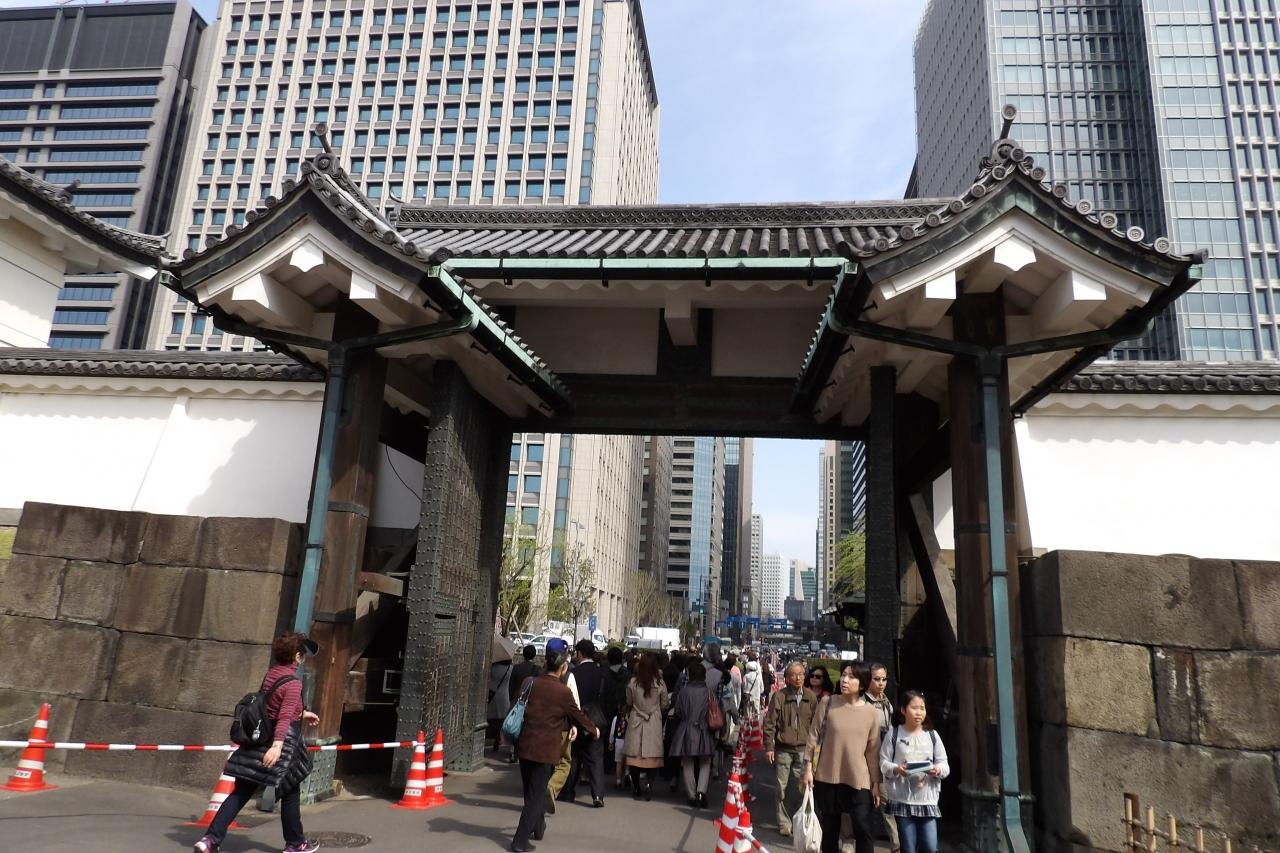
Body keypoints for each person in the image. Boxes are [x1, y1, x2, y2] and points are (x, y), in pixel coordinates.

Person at [193, 632, 321, 853]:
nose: (303, 659)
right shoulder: (293, 684)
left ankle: (210, 840)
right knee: (291, 792)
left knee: (241, 791)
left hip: (259, 741)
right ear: (297, 656)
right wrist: (277, 746)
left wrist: (303, 713)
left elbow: (271, 707)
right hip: (282, 744)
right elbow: (283, 717)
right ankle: (295, 843)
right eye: (302, 655)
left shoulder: (272, 674)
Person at [511, 646, 601, 852]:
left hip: (525, 744)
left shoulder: (529, 683)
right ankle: (520, 840)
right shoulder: (563, 692)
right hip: (545, 748)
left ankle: (538, 826)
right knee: (536, 795)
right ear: (563, 668)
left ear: (545, 664)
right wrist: (593, 729)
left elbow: (516, 704)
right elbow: (577, 715)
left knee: (530, 791)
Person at [801, 662, 883, 853]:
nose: (844, 680)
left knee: (863, 828)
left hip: (859, 779)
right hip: (828, 776)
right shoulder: (827, 703)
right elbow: (813, 737)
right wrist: (807, 769)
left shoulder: (871, 712)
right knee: (830, 831)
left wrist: (876, 783)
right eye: (844, 675)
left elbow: (873, 750)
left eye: (851, 677)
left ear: (862, 684)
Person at [879, 691, 949, 853]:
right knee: (908, 848)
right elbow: (883, 762)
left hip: (927, 798)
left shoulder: (932, 735)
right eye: (914, 708)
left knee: (930, 846)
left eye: (922, 708)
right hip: (902, 798)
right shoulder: (894, 734)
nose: (919, 712)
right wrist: (897, 769)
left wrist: (937, 770)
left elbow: (944, 764)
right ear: (903, 710)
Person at [762, 661, 819, 837]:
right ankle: (784, 823)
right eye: (793, 674)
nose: (798, 677)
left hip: (804, 749)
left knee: (801, 786)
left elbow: (816, 726)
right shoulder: (779, 696)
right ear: (786, 678)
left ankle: (797, 820)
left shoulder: (811, 697)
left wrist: (815, 750)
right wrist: (769, 746)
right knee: (781, 786)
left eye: (801, 674)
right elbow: (769, 723)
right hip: (783, 748)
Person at [561, 639, 607, 807]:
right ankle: (598, 795)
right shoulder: (601, 672)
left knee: (574, 756)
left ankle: (568, 792)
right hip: (596, 717)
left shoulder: (574, 673)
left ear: (579, 653)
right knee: (596, 759)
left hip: (577, 717)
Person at [670, 657, 717, 808]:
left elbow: (677, 710)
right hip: (704, 729)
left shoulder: (683, 691)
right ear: (703, 675)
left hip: (686, 729)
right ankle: (701, 792)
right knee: (705, 762)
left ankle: (691, 794)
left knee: (687, 762)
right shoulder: (708, 692)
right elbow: (714, 711)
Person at [622, 653, 669, 800]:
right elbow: (664, 704)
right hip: (653, 721)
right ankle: (649, 783)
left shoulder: (633, 682)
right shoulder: (660, 683)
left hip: (636, 719)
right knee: (652, 756)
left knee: (634, 757)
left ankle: (636, 786)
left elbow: (629, 702)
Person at [866, 663, 899, 852]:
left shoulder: (887, 702)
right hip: (865, 758)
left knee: (887, 802)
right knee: (861, 803)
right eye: (876, 679)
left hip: (884, 758)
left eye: (884, 679)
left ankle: (896, 845)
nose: (881, 683)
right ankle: (851, 842)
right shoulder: (863, 702)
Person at [507, 645, 539, 764]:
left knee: (515, 725)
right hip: (530, 701)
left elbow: (511, 685)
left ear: (523, 655)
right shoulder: (536, 669)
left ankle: (513, 751)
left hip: (517, 699)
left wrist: (511, 698)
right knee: (526, 726)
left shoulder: (516, 668)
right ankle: (523, 751)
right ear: (534, 655)